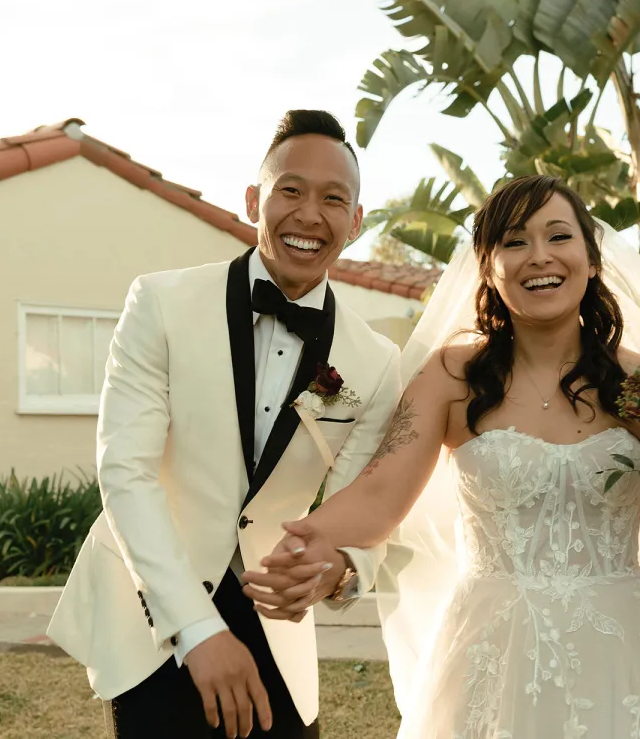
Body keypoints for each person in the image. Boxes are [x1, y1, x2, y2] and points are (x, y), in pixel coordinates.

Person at [245, 175, 640, 738]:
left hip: (628, 655)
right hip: (494, 651)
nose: (539, 257)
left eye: (558, 236)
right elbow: (381, 492)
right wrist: (310, 539)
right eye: (514, 242)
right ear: (487, 266)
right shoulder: (452, 375)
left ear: (591, 258)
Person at [47, 110, 403, 739]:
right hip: (152, 616)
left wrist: (343, 568)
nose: (309, 214)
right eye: (290, 190)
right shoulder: (160, 303)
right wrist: (197, 628)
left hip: (278, 629)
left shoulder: (376, 362)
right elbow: (125, 472)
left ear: (355, 222)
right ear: (253, 201)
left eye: (333, 198)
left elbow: (364, 508)